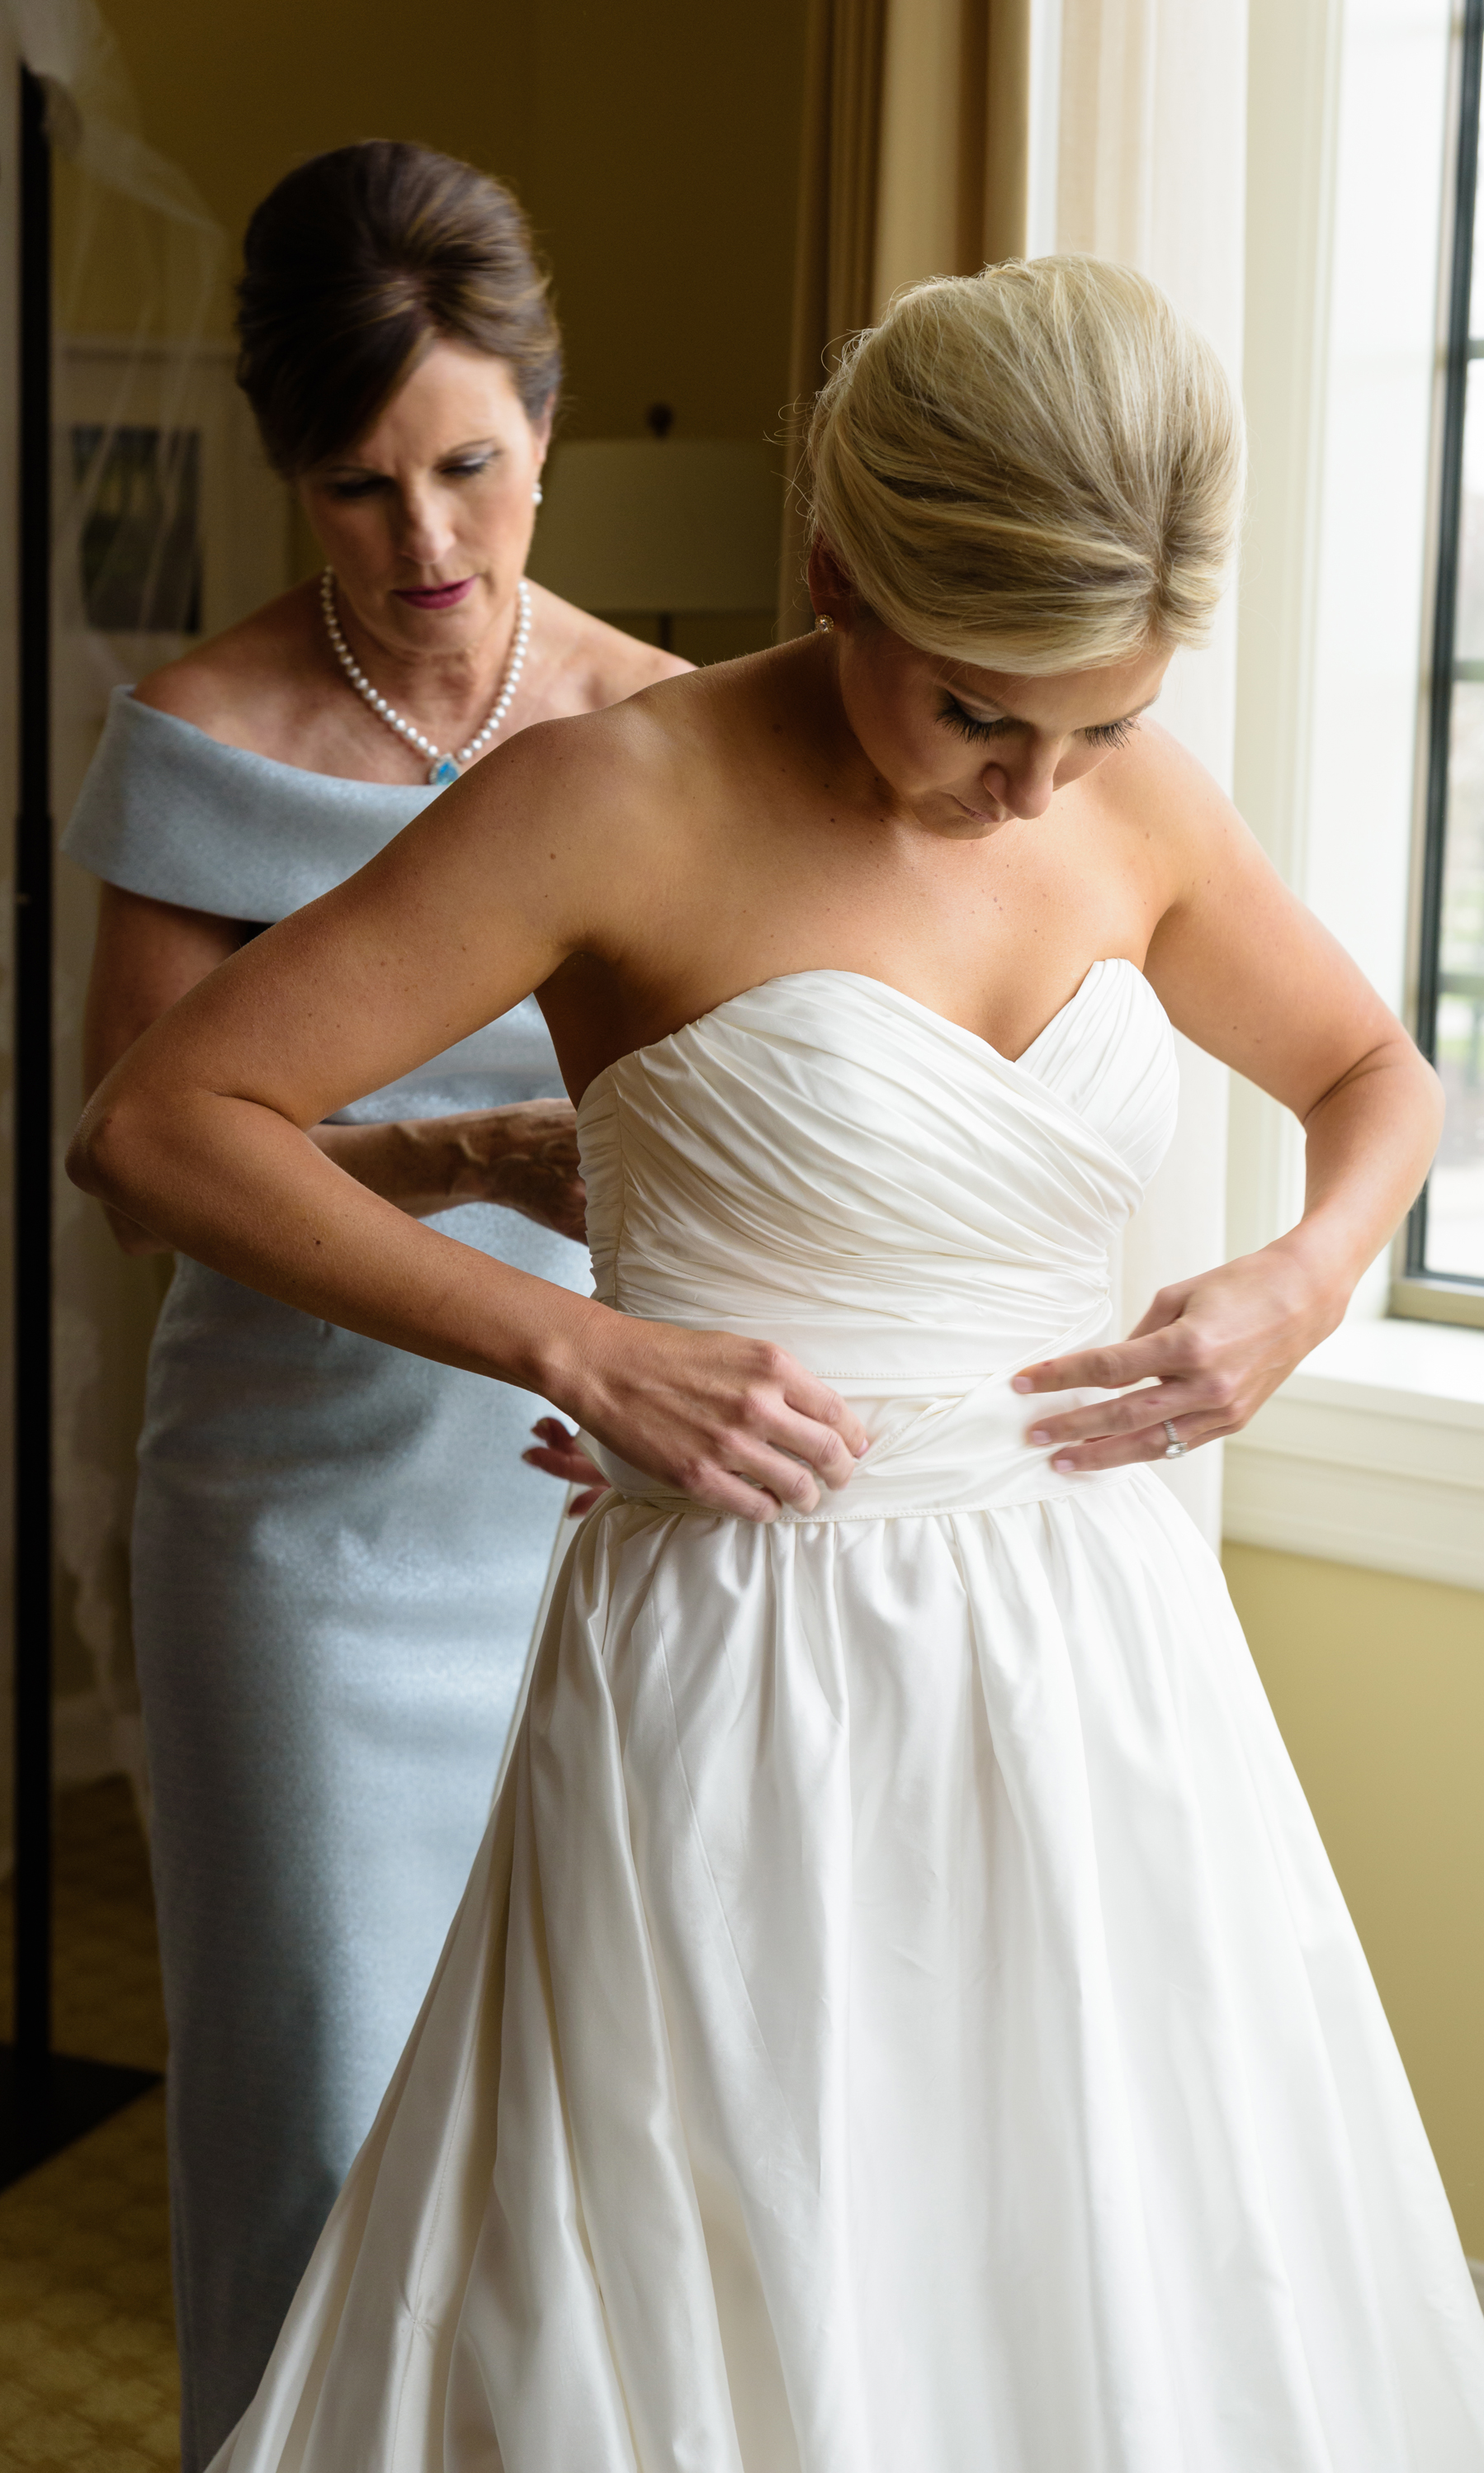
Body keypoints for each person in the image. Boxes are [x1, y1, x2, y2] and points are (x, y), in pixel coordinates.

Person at [73, 256, 1484, 2471]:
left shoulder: (1123, 805)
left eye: (1103, 724)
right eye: (977, 715)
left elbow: (1367, 1069)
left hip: (1093, 1652)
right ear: (841, 572)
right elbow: (159, 1122)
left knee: (1117, 2245)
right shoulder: (612, 800)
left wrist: (1301, 1280)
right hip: (740, 1655)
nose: (1038, 787)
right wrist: (578, 1337)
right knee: (726, 2263)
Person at [64, 139, 675, 2470]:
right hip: (299, 1545)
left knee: (585, 2127)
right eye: (355, 488)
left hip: (583, 1510)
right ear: (285, 473)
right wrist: (476, 1158)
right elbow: (141, 1177)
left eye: (469, 468)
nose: (426, 548)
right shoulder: (202, 742)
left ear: (538, 410)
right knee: (312, 2122)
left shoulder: (664, 724)